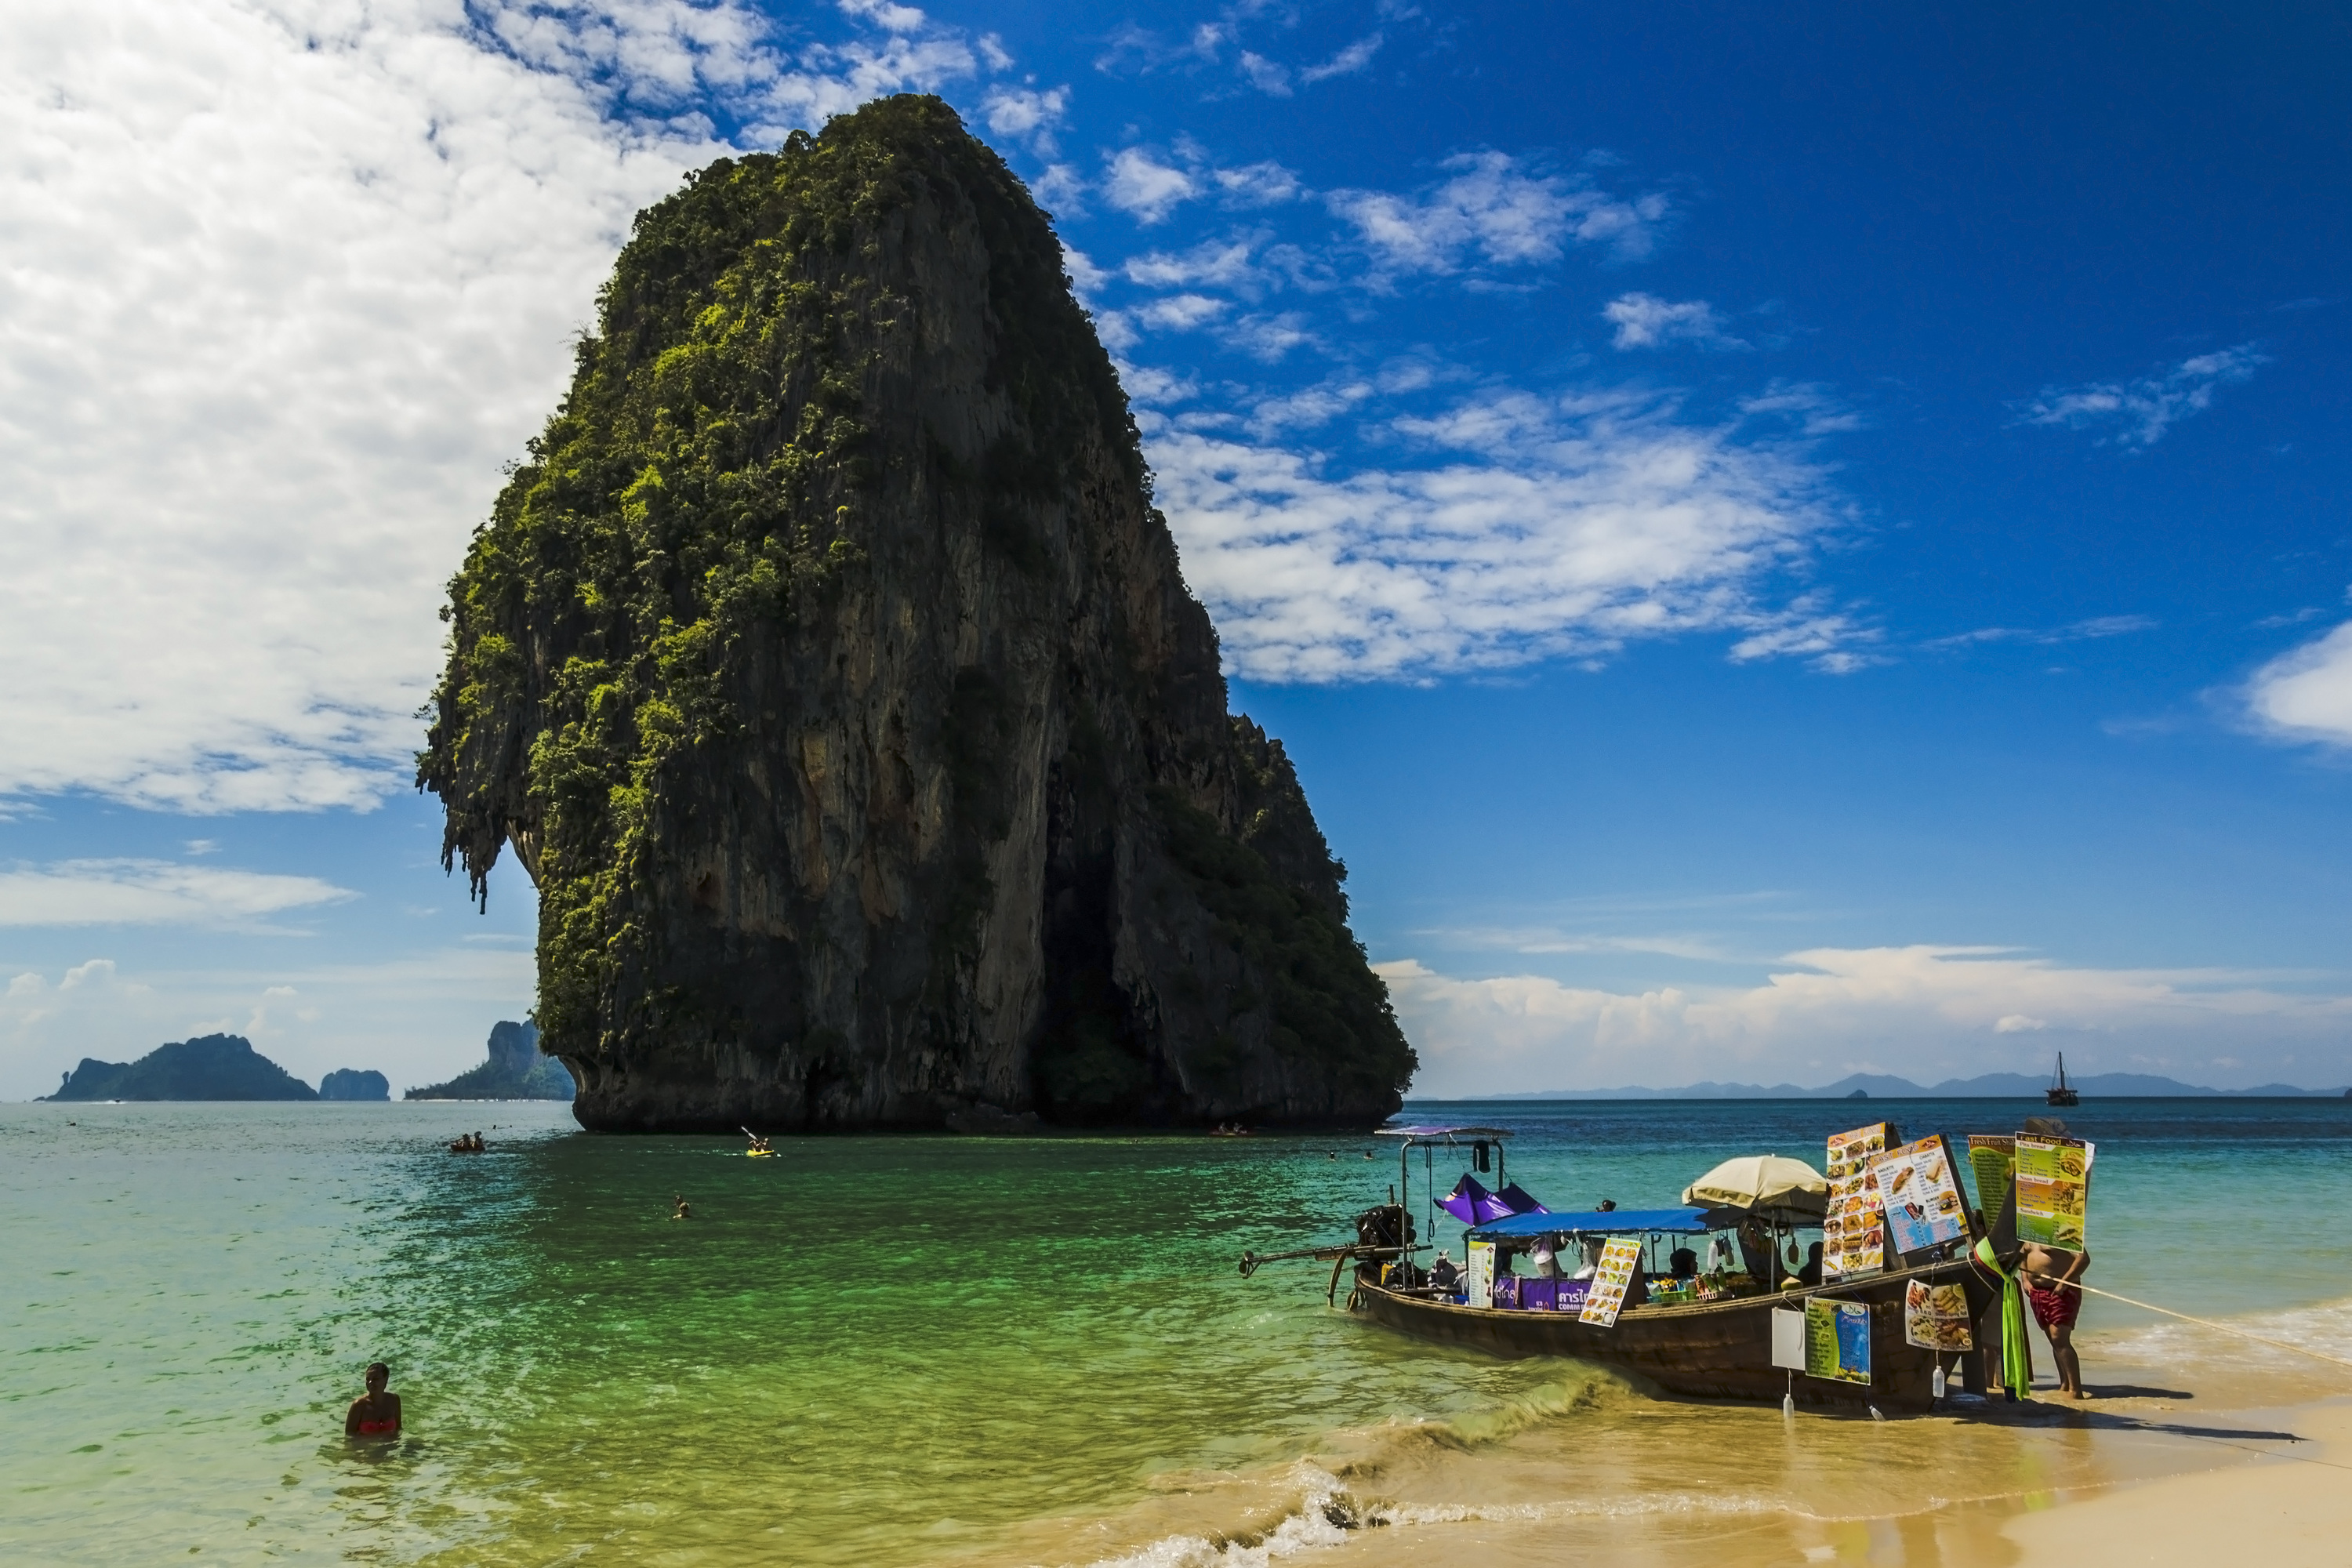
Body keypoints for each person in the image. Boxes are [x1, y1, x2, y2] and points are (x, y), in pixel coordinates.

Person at [2024, 1236, 2091, 1398]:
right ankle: (2065, 1383)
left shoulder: (2060, 1232)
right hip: (2037, 1291)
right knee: (2052, 1340)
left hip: (2061, 1291)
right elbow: (2021, 1256)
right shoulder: (2028, 1231)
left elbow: (2083, 1258)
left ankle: (2076, 1390)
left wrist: (2064, 1282)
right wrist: (2025, 1280)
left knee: (2059, 1338)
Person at [345, 1362, 401, 1439]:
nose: (370, 1383)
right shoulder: (359, 1405)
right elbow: (349, 1437)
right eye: (368, 1379)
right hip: (366, 1449)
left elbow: (398, 1430)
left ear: (386, 1380)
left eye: (375, 1379)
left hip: (391, 1449)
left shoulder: (394, 1400)